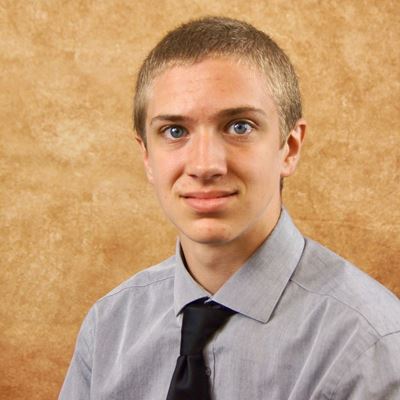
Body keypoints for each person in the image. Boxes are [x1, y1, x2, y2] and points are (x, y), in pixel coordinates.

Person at [59, 17, 400, 400]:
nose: (205, 165)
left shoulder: (370, 345)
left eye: (239, 126)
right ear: (147, 156)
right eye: (175, 131)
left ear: (289, 148)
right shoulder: (107, 329)